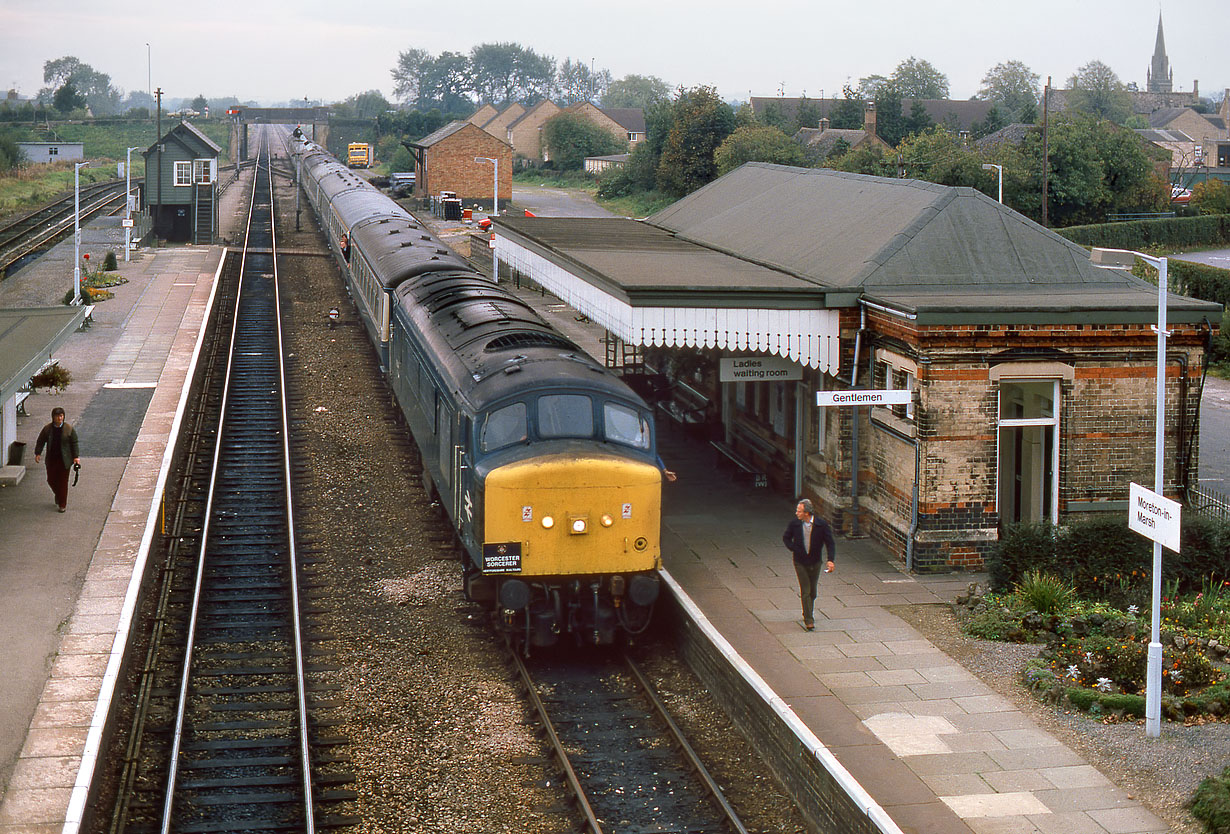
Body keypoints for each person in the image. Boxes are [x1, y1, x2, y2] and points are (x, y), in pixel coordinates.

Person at [781, 498, 835, 630]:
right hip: (800, 561)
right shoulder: (794, 524)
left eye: (799, 511)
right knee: (805, 590)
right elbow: (786, 538)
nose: (796, 513)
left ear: (807, 513)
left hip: (815, 561)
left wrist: (830, 560)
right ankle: (809, 619)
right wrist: (794, 548)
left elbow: (830, 542)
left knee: (813, 592)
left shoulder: (821, 525)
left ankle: (807, 610)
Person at [33, 406, 80, 513]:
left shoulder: (69, 429)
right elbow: (41, 440)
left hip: (65, 460)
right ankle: (58, 495)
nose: (59, 418)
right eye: (57, 416)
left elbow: (74, 443)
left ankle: (62, 504)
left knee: (63, 482)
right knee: (51, 480)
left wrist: (76, 457)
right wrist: (38, 453)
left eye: (61, 416)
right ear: (53, 417)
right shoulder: (47, 429)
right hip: (52, 459)